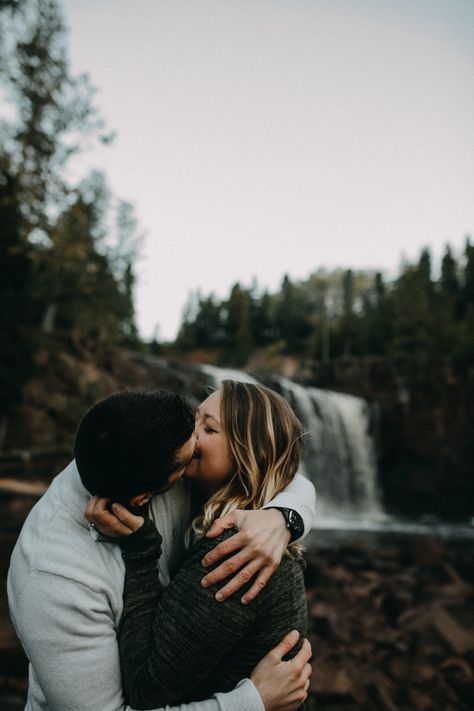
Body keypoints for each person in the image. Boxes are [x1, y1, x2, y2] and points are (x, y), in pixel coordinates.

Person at [8, 389, 316, 711]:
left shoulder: (160, 452)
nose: (195, 439)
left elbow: (284, 464)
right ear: (145, 496)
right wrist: (251, 702)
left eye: (207, 427)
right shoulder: (55, 578)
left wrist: (284, 518)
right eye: (200, 429)